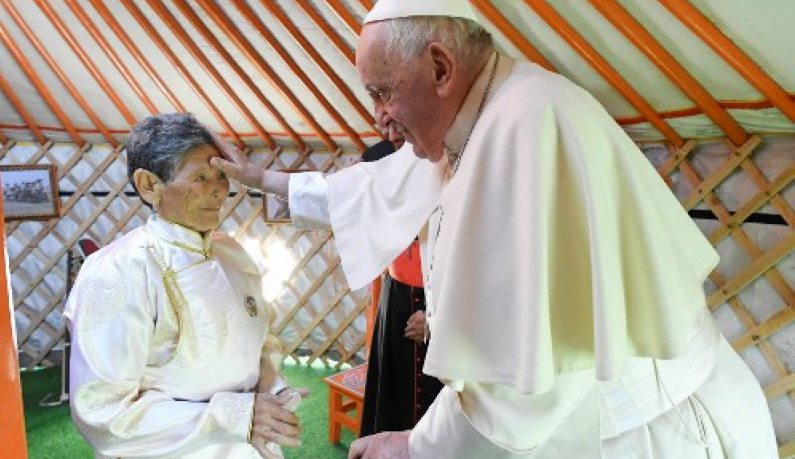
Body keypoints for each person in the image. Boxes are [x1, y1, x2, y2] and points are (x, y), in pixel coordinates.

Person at [211, 1, 778, 457]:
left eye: (382, 91)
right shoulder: (477, 115)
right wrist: (263, 178)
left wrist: (416, 446)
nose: (377, 116)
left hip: (652, 434)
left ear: (439, 67)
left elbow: (522, 384)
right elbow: (377, 185)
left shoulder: (529, 123)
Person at [63, 113, 307, 459]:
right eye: (200, 177)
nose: (219, 189)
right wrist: (236, 416)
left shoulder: (232, 253)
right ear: (149, 185)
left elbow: (261, 338)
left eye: (222, 175)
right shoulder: (117, 271)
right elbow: (103, 414)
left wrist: (273, 390)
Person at [358, 139, 444, 437]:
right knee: (393, 392)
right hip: (395, 300)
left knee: (432, 399)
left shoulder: (443, 177)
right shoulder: (380, 157)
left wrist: (433, 316)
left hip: (439, 300)